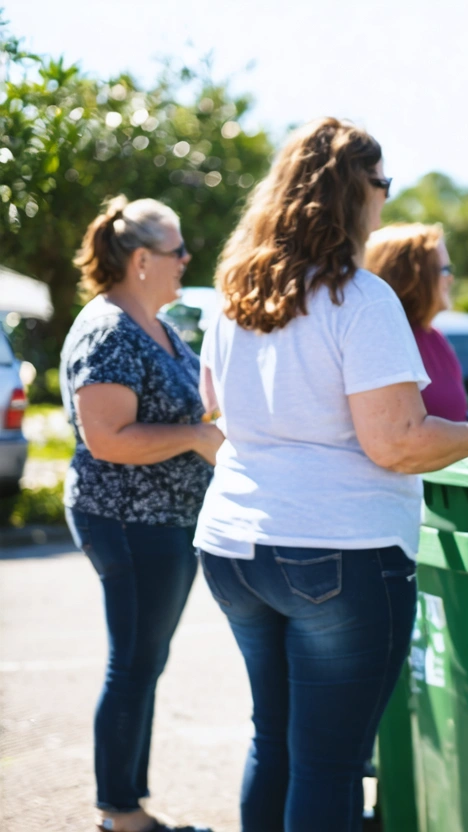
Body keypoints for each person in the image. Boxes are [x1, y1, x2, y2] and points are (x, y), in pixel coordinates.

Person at [193, 117, 468, 832]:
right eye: (383, 184)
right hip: (337, 553)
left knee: (277, 739)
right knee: (327, 763)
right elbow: (396, 443)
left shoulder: (237, 293)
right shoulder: (359, 298)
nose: (386, 199)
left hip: (234, 544)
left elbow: (215, 409)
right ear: (354, 193)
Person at [60, 196, 222, 832]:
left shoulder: (150, 321)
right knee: (133, 662)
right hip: (128, 522)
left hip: (160, 522)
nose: (187, 259)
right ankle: (120, 814)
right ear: (141, 259)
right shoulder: (109, 329)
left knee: (141, 661)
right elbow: (108, 439)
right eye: (177, 250)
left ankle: (128, 805)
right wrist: (194, 439)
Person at [365, 223, 467, 420]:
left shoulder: (434, 337)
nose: (451, 278)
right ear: (414, 275)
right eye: (445, 269)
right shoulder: (386, 341)